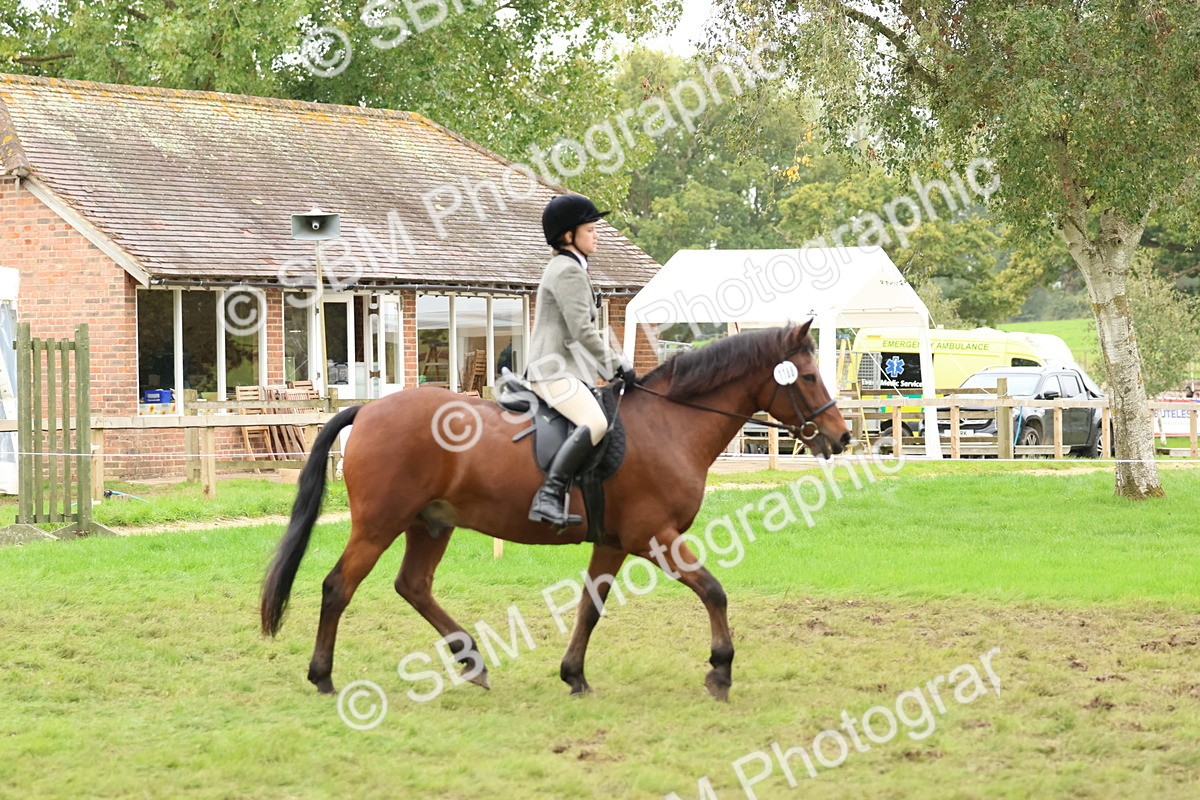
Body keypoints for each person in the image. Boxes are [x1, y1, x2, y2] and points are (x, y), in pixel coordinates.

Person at [525, 194, 635, 529]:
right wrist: (618, 364)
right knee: (597, 423)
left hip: (565, 369)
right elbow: (583, 332)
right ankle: (548, 495)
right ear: (568, 236)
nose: (596, 234)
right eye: (590, 228)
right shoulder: (567, 271)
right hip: (552, 371)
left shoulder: (570, 268)